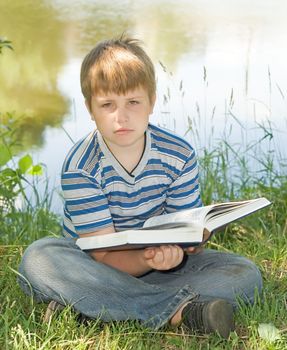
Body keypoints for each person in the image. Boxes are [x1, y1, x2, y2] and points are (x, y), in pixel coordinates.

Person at [18, 35, 262, 339]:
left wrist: (185, 248)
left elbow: (185, 231)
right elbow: (102, 256)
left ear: (151, 102)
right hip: (95, 266)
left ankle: (94, 305)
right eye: (107, 104)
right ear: (90, 108)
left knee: (245, 274)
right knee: (39, 259)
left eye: (133, 102)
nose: (122, 117)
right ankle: (179, 312)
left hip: (161, 271)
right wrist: (144, 259)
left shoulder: (178, 155)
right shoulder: (81, 166)